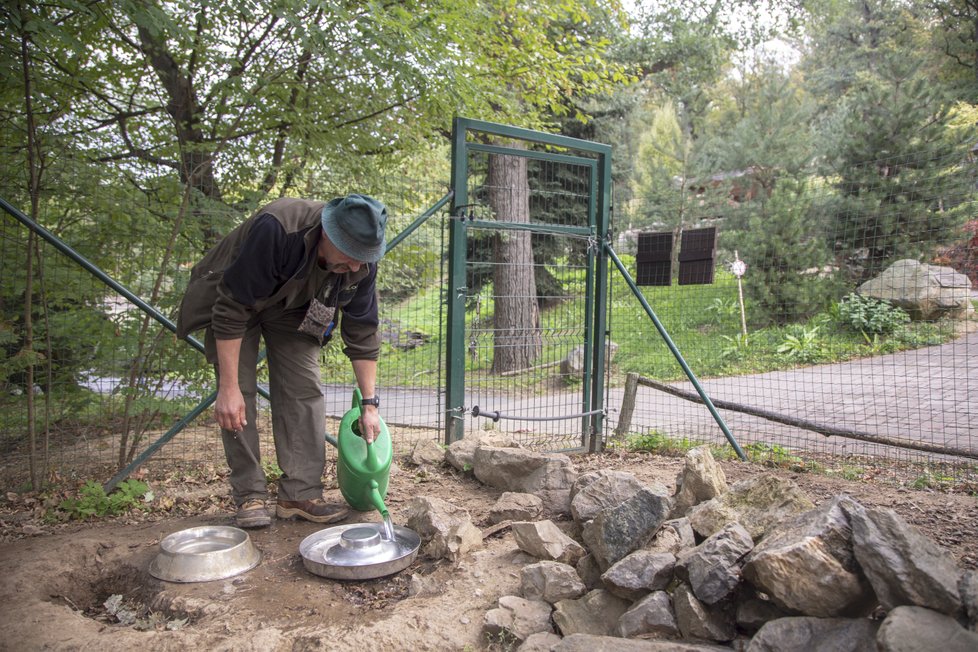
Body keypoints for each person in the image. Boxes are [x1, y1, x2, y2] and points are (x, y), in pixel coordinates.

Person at [176, 195, 388, 528]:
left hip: (296, 309)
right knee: (238, 397)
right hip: (239, 306)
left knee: (304, 388)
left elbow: (363, 332)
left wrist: (370, 405)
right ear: (328, 234)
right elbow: (231, 309)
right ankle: (250, 495)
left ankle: (299, 494)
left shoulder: (361, 264)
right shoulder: (277, 229)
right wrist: (227, 389)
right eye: (351, 257)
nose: (357, 268)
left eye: (365, 259)